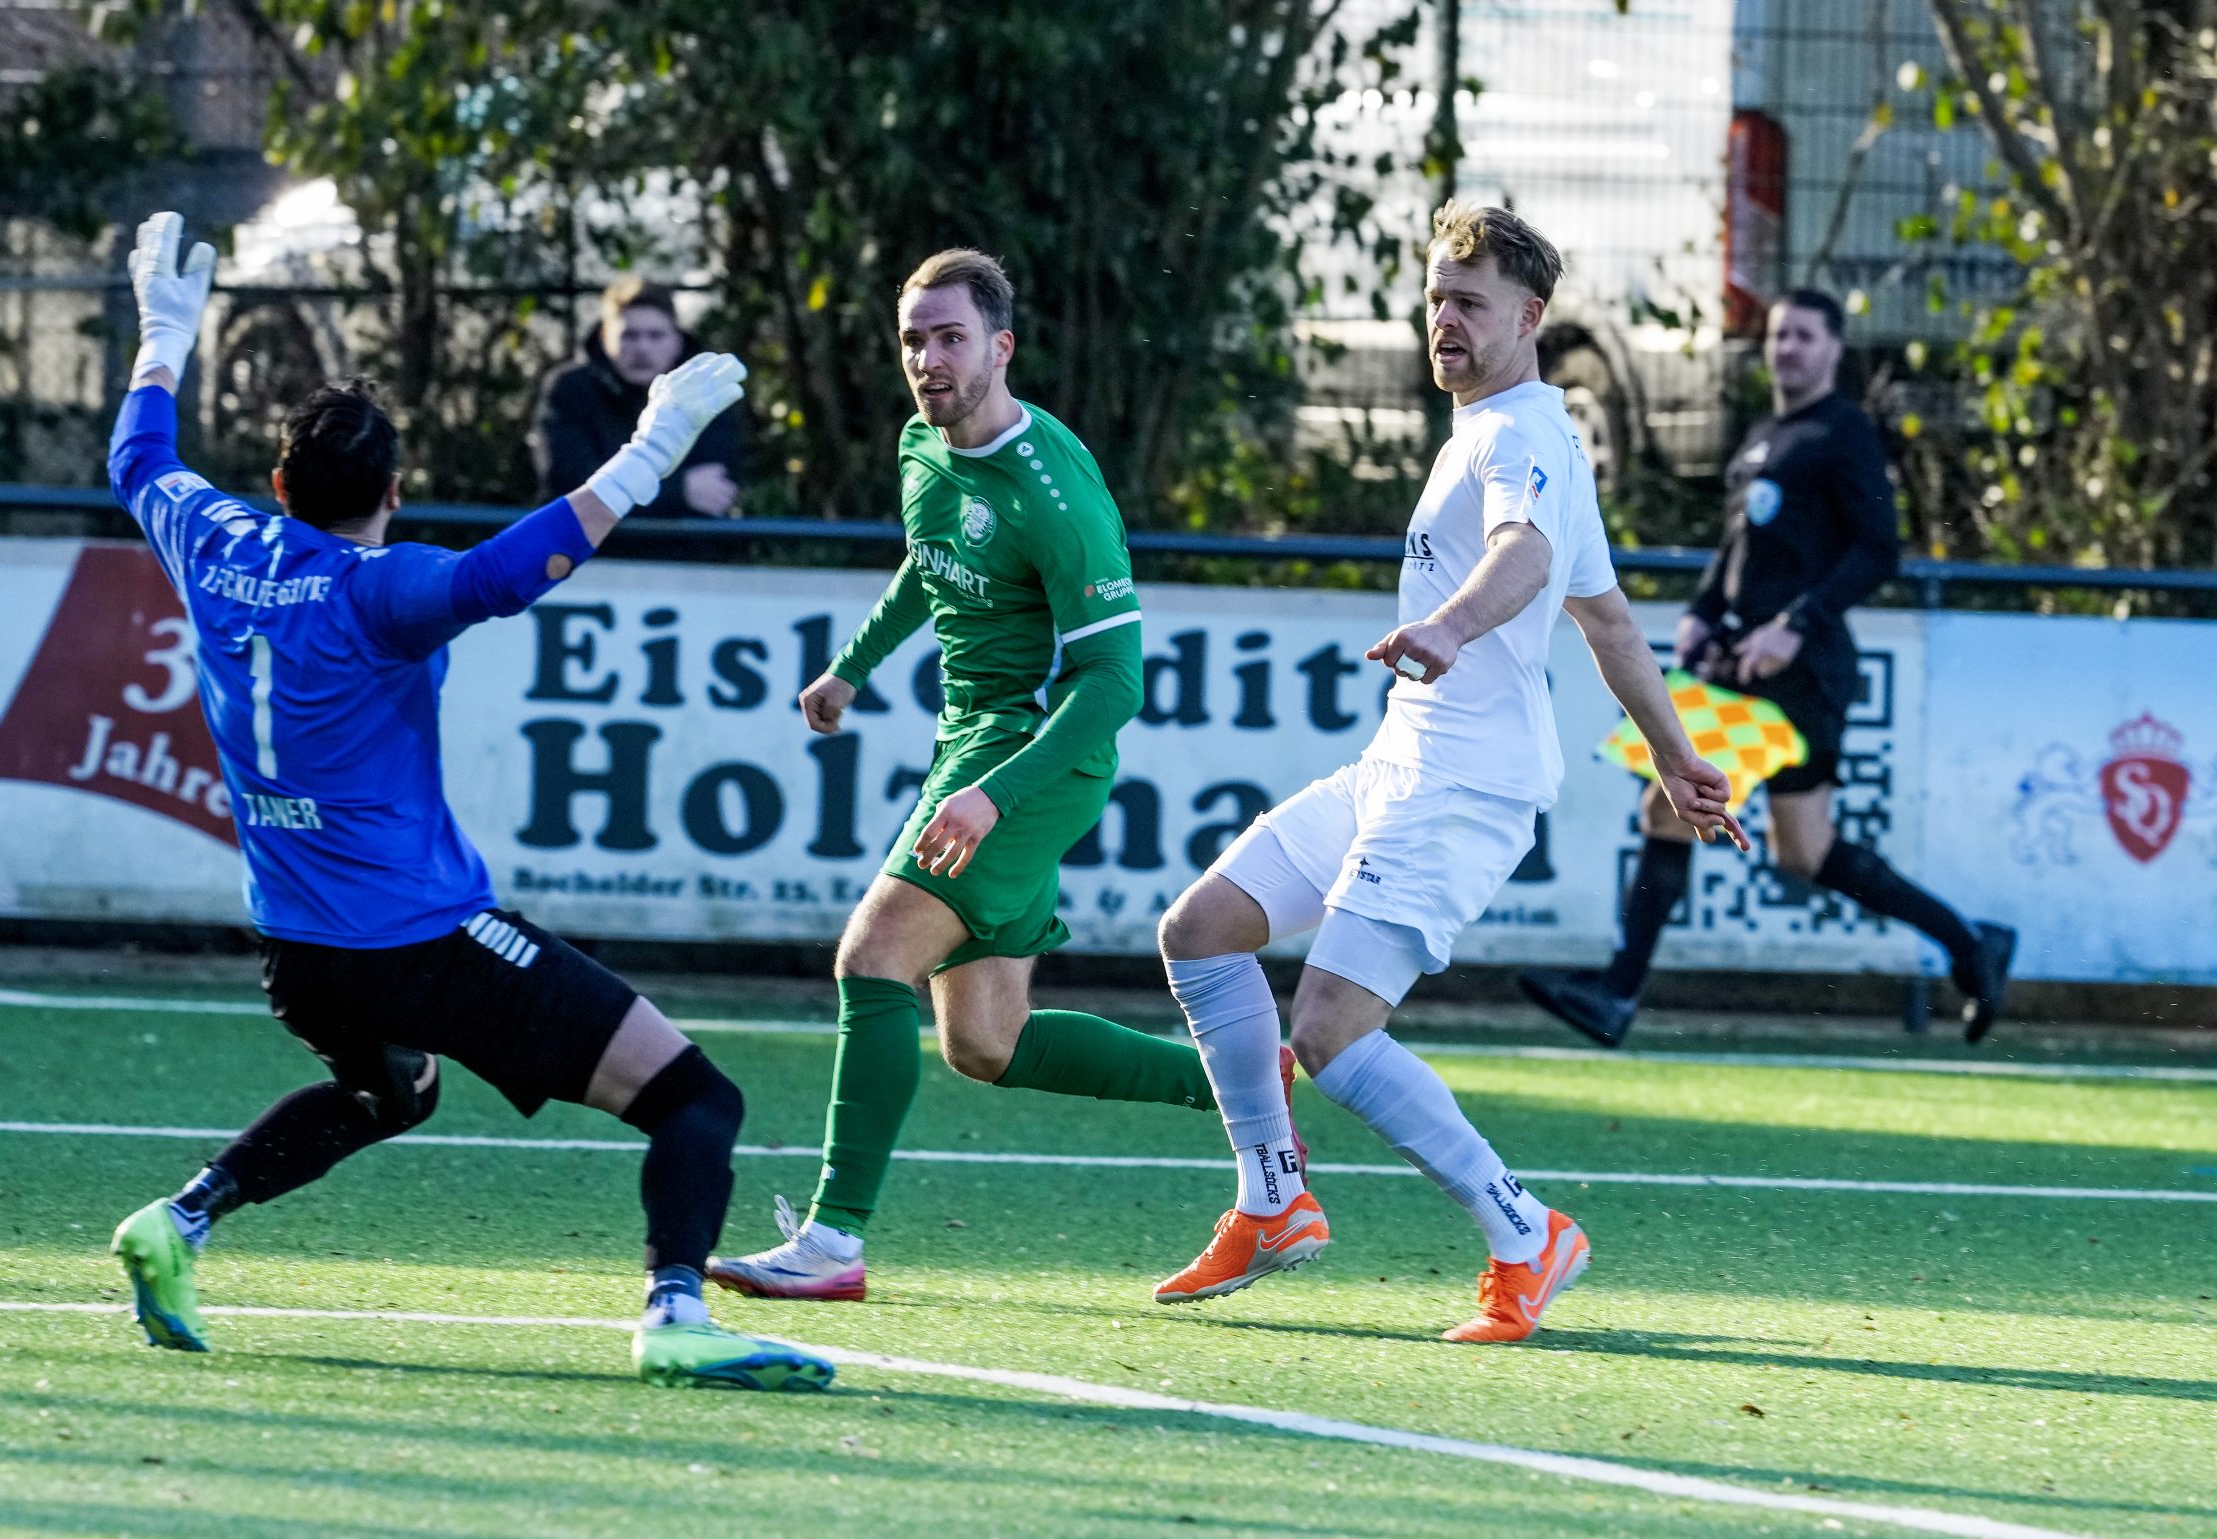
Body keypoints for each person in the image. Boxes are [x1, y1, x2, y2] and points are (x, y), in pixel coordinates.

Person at [101, 213, 829, 1392]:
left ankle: (180, 1221)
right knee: (698, 1097)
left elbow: (138, 462)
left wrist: (161, 338)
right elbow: (503, 574)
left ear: (280, 485)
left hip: (296, 948)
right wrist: (646, 456)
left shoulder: (212, 536)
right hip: (417, 941)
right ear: (393, 490)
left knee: (389, 1091)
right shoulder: (381, 589)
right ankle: (676, 1312)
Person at [1151, 203, 1747, 1342]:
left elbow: (1523, 561)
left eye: (1467, 303)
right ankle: (1272, 1200)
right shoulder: (1508, 430)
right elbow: (1610, 622)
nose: (1443, 321)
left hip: (1463, 784)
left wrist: (1451, 628)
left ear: (1529, 319)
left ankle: (1524, 1235)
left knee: (1327, 1029)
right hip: (1401, 763)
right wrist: (1677, 763)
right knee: (1203, 928)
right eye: (1434, 298)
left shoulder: (1520, 440)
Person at [705, 249, 1265, 1302]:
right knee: (985, 1043)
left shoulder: (1052, 488)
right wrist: (852, 669)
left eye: (949, 336)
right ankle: (1239, 1086)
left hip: (1034, 758)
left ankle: (830, 1244)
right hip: (971, 750)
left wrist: (994, 790)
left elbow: (1112, 682)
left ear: (1000, 347)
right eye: (913, 338)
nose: (927, 358)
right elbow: (929, 561)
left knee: (872, 960)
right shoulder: (924, 443)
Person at [1519, 288, 2016, 1049]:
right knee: (1799, 848)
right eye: (1780, 335)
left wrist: (1796, 623)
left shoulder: (1844, 432)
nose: (1788, 348)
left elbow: (1878, 549)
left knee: (1679, 811)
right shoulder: (1762, 437)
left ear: (1834, 350)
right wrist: (1703, 609)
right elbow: (1739, 552)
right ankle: (1971, 943)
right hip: (1742, 667)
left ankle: (1618, 994)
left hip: (1800, 671)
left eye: (1805, 337)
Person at [531, 276, 744, 517]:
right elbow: (569, 483)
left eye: (655, 335)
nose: (642, 348)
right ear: (605, 337)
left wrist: (615, 488)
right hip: (591, 550)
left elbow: (715, 487)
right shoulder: (569, 388)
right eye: (629, 336)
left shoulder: (708, 389)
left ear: (677, 339)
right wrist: (678, 491)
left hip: (686, 549)